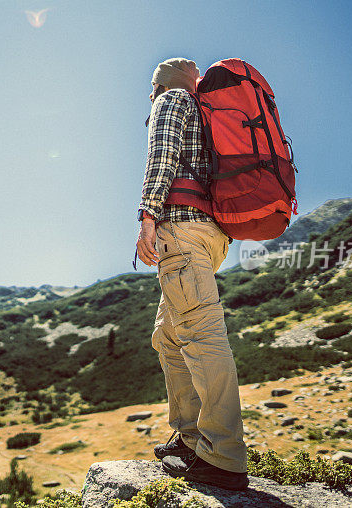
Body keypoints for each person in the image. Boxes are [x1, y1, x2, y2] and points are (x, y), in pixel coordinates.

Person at [136, 57, 249, 491]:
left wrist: (147, 217)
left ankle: (223, 457)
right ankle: (191, 437)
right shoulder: (207, 112)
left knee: (201, 335)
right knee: (167, 335)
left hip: (181, 230)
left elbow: (161, 156)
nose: (151, 95)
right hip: (210, 236)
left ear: (161, 84)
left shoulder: (173, 100)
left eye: (152, 87)